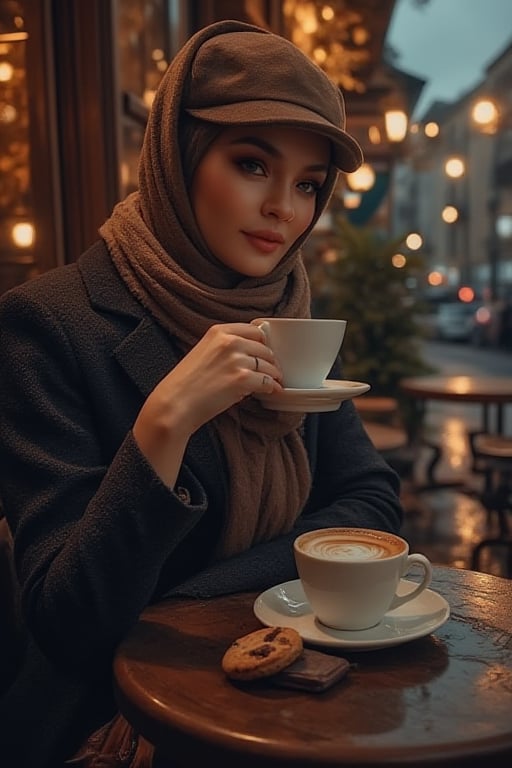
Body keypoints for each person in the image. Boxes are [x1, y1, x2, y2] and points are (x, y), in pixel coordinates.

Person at [0, 19, 403, 768]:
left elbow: (372, 505)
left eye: (309, 183)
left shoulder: (287, 317)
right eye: (253, 164)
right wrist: (165, 423)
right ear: (176, 158)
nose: (285, 207)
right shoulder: (50, 324)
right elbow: (68, 623)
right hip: (114, 724)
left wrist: (180, 599)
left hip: (285, 694)